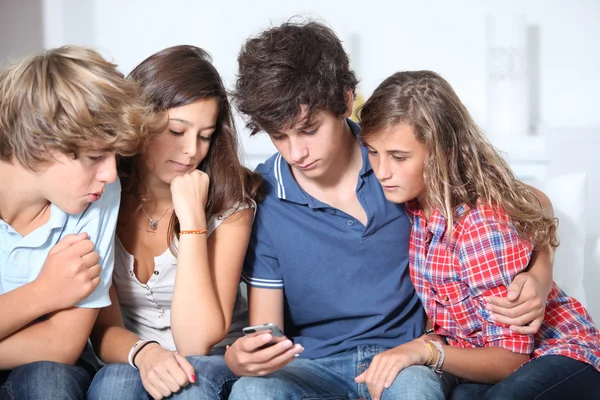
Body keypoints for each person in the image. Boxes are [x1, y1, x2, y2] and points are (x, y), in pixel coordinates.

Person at [224, 20, 554, 400]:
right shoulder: (267, 197)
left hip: (404, 360)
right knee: (253, 392)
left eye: (309, 129)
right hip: (311, 365)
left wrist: (540, 270)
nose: (296, 152)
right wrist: (242, 360)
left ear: (347, 101)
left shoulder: (395, 161)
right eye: (279, 136)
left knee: (414, 392)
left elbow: (529, 203)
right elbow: (268, 332)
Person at [358, 69, 600, 400]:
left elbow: (510, 358)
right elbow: (531, 197)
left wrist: (425, 350)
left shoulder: (479, 225)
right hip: (491, 359)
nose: (382, 171)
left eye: (399, 157)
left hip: (563, 353)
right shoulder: (415, 207)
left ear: (441, 152)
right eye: (373, 152)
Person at [87, 45, 264, 400]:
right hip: (131, 353)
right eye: (176, 130)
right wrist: (145, 353)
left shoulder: (233, 205)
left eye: (204, 136)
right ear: (139, 122)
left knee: (190, 386)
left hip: (214, 358)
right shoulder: (100, 195)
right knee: (112, 385)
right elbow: (102, 329)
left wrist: (193, 218)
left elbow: (197, 341)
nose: (191, 152)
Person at [0, 46, 151, 399]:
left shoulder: (96, 197)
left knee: (48, 378)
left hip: (47, 372)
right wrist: (45, 292)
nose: (112, 174)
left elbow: (61, 344)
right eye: (96, 157)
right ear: (39, 144)